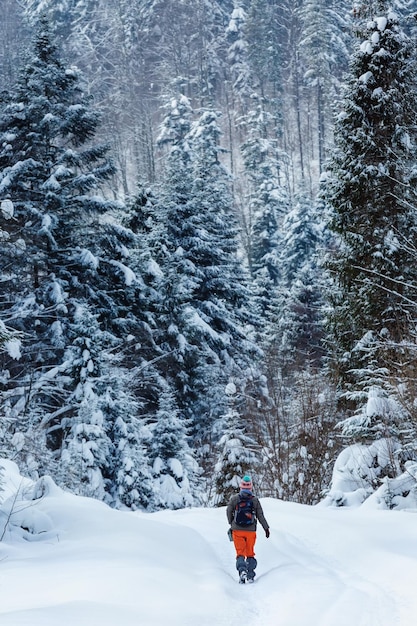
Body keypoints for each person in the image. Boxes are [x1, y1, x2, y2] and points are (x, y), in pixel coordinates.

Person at [226, 475, 270, 583]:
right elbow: (260, 515)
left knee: (240, 553)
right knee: (250, 553)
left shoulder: (235, 499)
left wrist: (231, 523)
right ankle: (250, 575)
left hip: (237, 530)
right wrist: (266, 528)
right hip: (250, 531)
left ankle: (242, 571)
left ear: (240, 487)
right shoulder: (254, 500)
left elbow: (228, 511)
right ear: (251, 487)